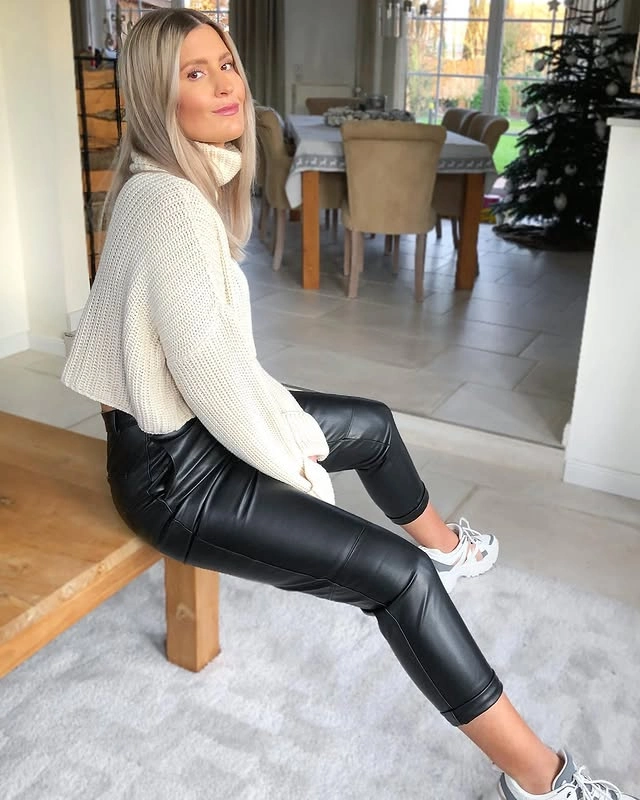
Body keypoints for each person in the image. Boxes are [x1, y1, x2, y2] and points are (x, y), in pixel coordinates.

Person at [61, 9, 637, 800]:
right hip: (175, 479)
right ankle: (543, 780)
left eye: (224, 62)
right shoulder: (167, 204)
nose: (225, 82)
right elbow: (211, 371)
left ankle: (447, 548)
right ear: (157, 97)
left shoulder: (181, 186)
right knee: (394, 579)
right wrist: (296, 461)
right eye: (193, 73)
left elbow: (215, 365)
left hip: (186, 430)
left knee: (370, 424)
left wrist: (286, 424)